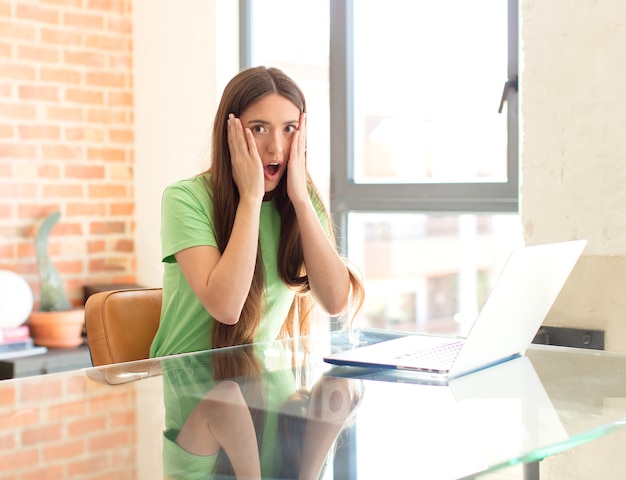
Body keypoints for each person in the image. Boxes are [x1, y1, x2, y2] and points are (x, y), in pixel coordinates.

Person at [150, 66, 364, 357]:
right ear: (231, 133)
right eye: (259, 129)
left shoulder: (298, 201)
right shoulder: (185, 198)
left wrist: (301, 198)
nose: (276, 147)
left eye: (289, 129)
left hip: (261, 384)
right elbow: (226, 308)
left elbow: (336, 302)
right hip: (190, 386)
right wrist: (251, 198)